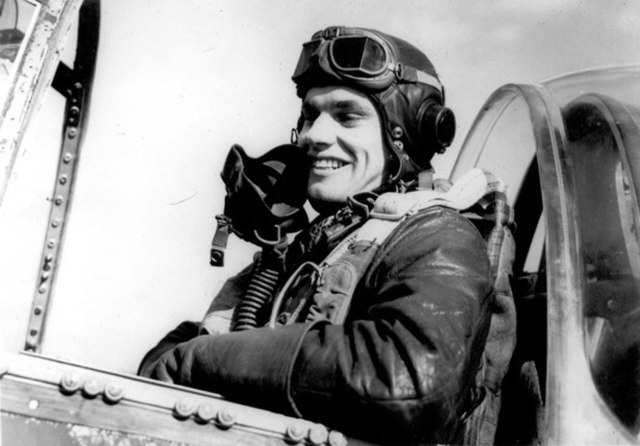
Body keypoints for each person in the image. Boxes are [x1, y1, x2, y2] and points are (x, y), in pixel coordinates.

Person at [139, 26, 511, 445]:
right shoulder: (304, 253)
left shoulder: (437, 237)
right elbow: (167, 360)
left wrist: (198, 362)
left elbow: (408, 380)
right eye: (310, 115)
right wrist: (193, 353)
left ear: (407, 134)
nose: (314, 136)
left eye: (347, 116)